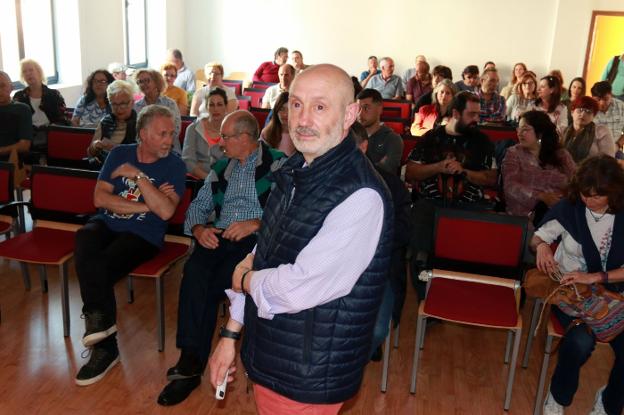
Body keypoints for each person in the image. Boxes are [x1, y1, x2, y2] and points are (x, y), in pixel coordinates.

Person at [208, 64, 393, 414]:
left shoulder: (360, 195)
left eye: (320, 107)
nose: (303, 119)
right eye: (296, 104)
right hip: (275, 354)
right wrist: (231, 334)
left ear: (350, 114)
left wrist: (245, 280)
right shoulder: (295, 172)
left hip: (308, 372)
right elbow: (263, 252)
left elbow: (299, 286)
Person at [157, 110, 286, 406]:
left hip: (256, 241)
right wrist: (200, 228)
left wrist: (255, 223)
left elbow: (289, 213)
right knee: (194, 274)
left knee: (218, 281)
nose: (220, 143)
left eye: (225, 137)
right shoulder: (222, 166)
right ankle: (191, 361)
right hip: (219, 234)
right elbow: (198, 207)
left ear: (244, 138)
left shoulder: (279, 164)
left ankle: (231, 353)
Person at [73, 105, 186, 386]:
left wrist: (137, 177)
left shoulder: (174, 164)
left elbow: (166, 214)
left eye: (171, 133)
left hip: (144, 235)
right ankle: (101, 327)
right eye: (162, 134)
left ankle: (104, 345)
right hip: (107, 222)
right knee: (85, 236)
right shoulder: (118, 154)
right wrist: (150, 202)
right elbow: (100, 199)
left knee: (100, 264)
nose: (169, 140)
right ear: (144, 134)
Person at [532, 155, 624, 415]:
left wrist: (596, 277)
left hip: (615, 295)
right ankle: (558, 397)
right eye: (584, 194)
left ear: (614, 193)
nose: (588, 200)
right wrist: (541, 248)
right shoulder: (570, 208)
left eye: (596, 196)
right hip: (572, 293)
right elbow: (538, 237)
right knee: (579, 343)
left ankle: (609, 403)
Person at [406, 91, 496, 298]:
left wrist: (464, 172)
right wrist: (438, 167)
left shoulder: (482, 142)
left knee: (465, 255)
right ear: (456, 112)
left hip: (468, 206)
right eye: (471, 114)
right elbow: (410, 173)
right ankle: (426, 297)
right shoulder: (432, 138)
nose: (476, 120)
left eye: (478, 115)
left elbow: (491, 179)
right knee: (420, 252)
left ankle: (455, 297)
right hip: (431, 204)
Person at [350, 121, 410, 361]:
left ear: (363, 146)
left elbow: (404, 231)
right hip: (331, 267)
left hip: (378, 269)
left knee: (375, 329)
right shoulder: (324, 180)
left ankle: (347, 363)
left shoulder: (391, 185)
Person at [502, 111, 575, 218]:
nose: (519, 133)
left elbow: (576, 181)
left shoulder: (561, 154)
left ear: (540, 133)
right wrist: (541, 196)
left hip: (560, 212)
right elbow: (510, 187)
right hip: (524, 216)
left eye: (525, 129)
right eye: (519, 128)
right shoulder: (514, 153)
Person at [87, 80, 138, 166]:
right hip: (104, 169)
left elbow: (145, 156)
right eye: (114, 104)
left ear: (132, 102)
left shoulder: (141, 124)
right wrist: (95, 146)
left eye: (123, 103)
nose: (118, 109)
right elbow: (90, 154)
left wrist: (116, 149)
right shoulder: (105, 122)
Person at [181, 88, 227, 178]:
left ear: (225, 107)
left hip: (226, 180)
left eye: (220, 104)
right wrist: (208, 178)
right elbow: (187, 161)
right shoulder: (193, 129)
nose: (215, 109)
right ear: (206, 107)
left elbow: (233, 161)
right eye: (211, 105)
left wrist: (201, 165)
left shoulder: (232, 130)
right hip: (200, 180)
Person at [133, 69, 181, 154]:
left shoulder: (169, 104)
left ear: (156, 82)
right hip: (144, 150)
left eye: (147, 81)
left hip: (169, 148)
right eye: (140, 81)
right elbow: (136, 131)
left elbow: (175, 129)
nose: (143, 84)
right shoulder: (136, 106)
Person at [357, 88, 404, 174]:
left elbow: (382, 173)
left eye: (366, 108)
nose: (360, 114)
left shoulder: (392, 139)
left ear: (379, 109)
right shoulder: (350, 135)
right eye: (358, 108)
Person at [562, 96, 615, 164]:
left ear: (593, 116)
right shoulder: (564, 131)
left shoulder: (601, 131)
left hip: (592, 172)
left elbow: (609, 160)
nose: (583, 114)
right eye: (580, 110)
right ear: (572, 112)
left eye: (588, 112)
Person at [0, 71, 32, 162]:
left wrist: (1, 151)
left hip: (13, 161)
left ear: (11, 87)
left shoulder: (22, 109)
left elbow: (24, 145)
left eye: (2, 86)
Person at [260, 92, 296, 156]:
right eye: (282, 109)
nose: (285, 114)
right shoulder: (266, 133)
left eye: (289, 110)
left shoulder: (303, 135)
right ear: (276, 111)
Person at [591, 81, 624, 146]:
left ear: (611, 95)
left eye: (605, 99)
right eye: (598, 100)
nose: (602, 103)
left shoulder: (621, 106)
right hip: (593, 146)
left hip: (615, 146)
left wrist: (618, 145)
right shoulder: (589, 108)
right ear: (592, 97)